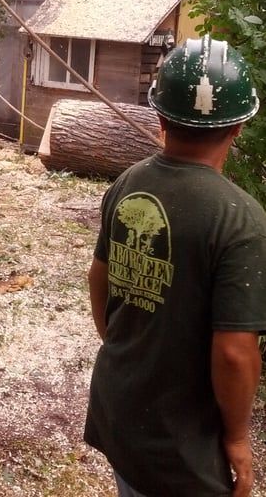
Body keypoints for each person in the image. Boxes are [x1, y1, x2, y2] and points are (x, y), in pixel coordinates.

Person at [84, 35, 266, 497]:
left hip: (121, 412)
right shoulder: (241, 219)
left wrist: (128, 348)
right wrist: (237, 438)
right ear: (239, 126)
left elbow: (99, 279)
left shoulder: (128, 182)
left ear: (161, 118)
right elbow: (234, 351)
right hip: (181, 449)